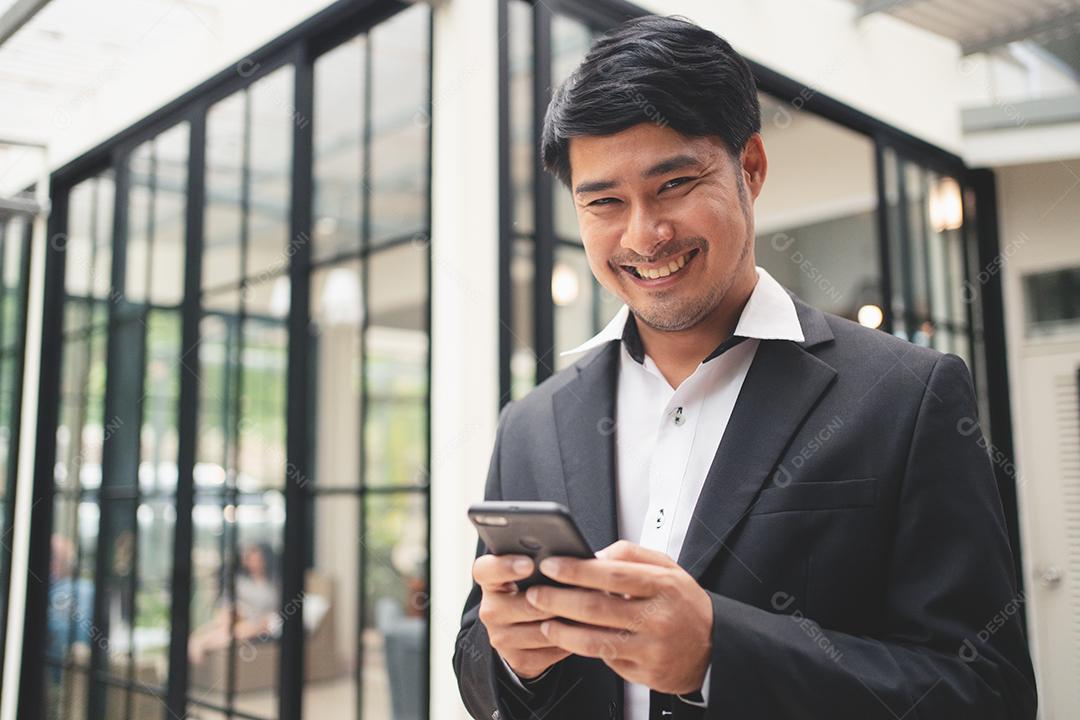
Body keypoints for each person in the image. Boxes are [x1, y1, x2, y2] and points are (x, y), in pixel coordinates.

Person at [453, 15, 1036, 720]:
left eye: (674, 184)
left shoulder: (906, 395)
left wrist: (718, 654)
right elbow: (477, 656)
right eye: (604, 202)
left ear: (750, 168)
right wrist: (512, 662)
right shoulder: (531, 423)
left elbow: (986, 693)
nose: (644, 235)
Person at [188, 542, 280, 664]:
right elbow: (229, 600)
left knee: (232, 630)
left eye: (257, 559)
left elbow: (273, 612)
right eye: (250, 558)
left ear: (264, 560)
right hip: (236, 617)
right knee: (219, 624)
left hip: (258, 623)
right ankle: (198, 641)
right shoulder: (242, 581)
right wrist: (232, 611)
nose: (253, 562)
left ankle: (201, 643)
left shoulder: (273, 585)